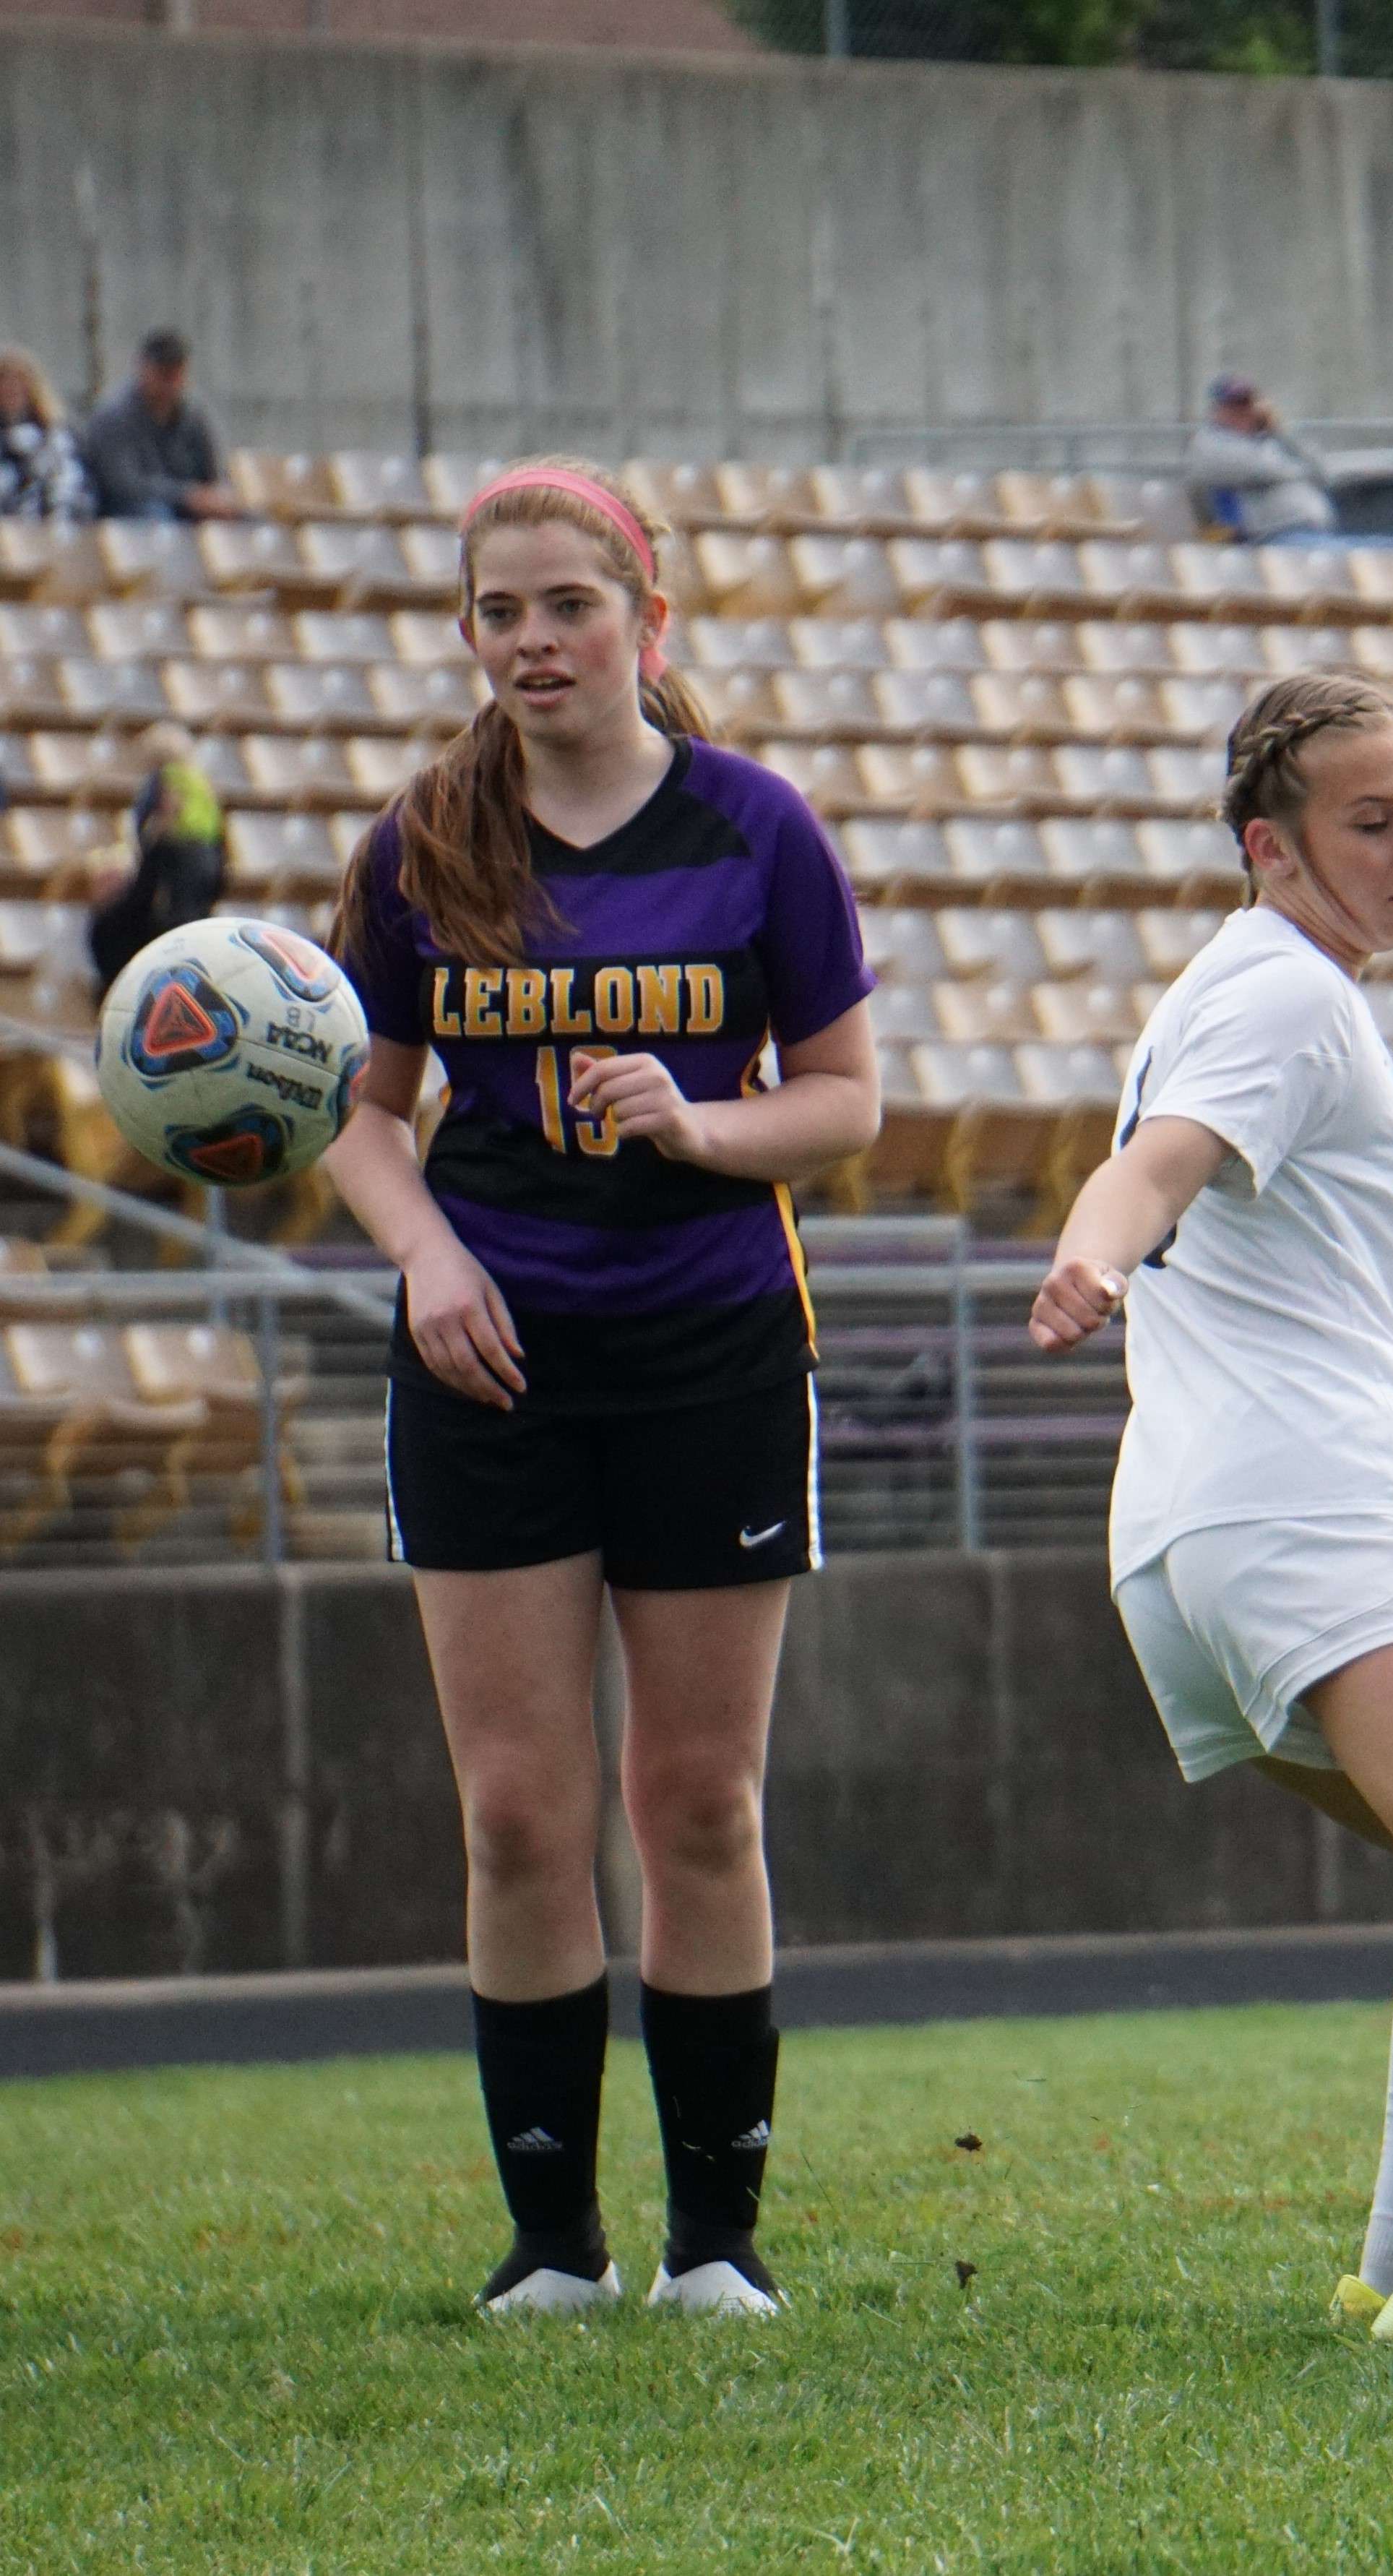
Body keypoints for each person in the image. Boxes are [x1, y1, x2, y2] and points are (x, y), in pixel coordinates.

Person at [324, 460, 881, 2322]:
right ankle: (553, 2245)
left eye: (568, 604)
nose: (533, 640)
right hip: (490, 1365)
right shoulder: (421, 843)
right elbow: (364, 1111)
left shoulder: (757, 830)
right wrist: (429, 1257)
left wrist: (701, 1122)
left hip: (710, 1352)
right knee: (513, 1814)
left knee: (700, 1802)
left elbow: (846, 1098)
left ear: (648, 615)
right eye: (500, 610)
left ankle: (717, 2244)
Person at [1029, 671, 1393, 2353]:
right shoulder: (1287, 998)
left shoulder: (1265, 984)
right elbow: (1157, 1171)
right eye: (1374, 820)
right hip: (1303, 1509)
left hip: (1190, 1532)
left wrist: (1114, 1243)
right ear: (1269, 850)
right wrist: (1094, 1247)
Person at [86, 723, 229, 986]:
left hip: (175, 855)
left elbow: (147, 820)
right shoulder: (202, 784)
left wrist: (146, 845)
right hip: (204, 862)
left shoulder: (165, 779)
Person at [80, 332, 240, 525]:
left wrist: (217, 499)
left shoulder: (193, 415)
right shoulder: (114, 415)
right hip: (126, 509)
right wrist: (186, 495)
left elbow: (211, 472)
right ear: (143, 369)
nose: (169, 385)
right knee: (157, 516)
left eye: (176, 375)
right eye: (163, 375)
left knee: (247, 519)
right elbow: (123, 485)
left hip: (184, 506)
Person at [1186, 375, 1339, 546]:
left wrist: (1280, 429)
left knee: (1370, 548)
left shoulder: (1269, 438)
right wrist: (1301, 470)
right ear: (1217, 411)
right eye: (1232, 406)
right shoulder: (1209, 444)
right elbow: (1262, 469)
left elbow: (1322, 472)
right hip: (1267, 537)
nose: (1241, 412)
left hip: (1308, 533)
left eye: (1246, 405)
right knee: (1355, 559)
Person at [0, 345, 92, 523]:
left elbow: (75, 480)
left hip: (54, 525)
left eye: (19, 380)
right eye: (4, 380)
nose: (12, 388)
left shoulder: (56, 433)